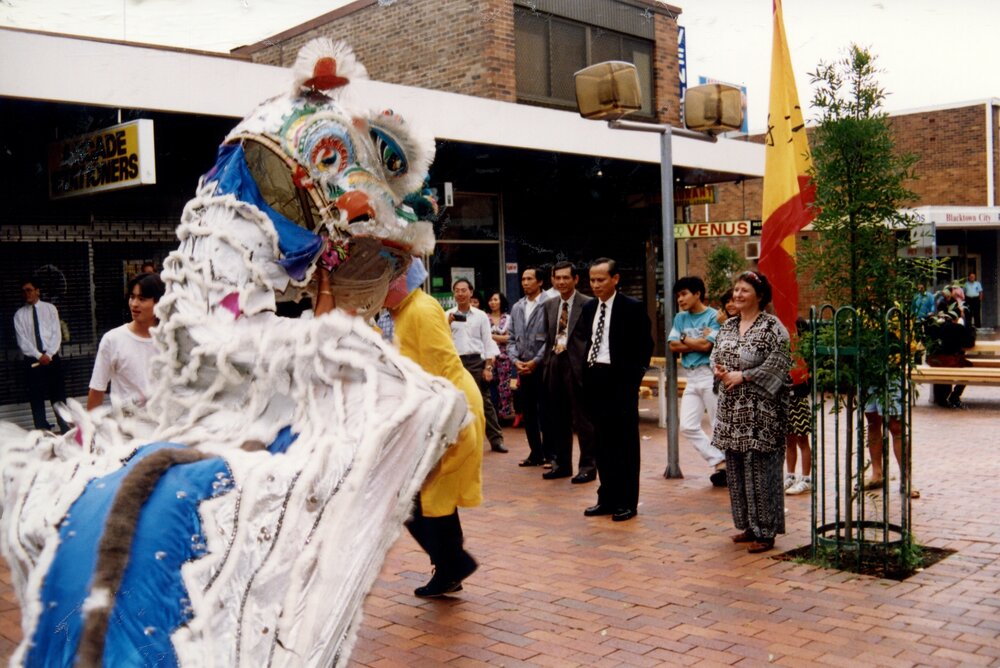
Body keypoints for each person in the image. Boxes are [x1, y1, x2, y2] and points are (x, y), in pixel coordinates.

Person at [386, 260, 483, 598]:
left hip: (449, 409)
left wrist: (446, 420)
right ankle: (451, 565)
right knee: (426, 497)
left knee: (422, 496)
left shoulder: (421, 310)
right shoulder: (403, 310)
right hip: (437, 409)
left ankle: (452, 564)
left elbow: (441, 366)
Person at [710, 271, 791, 553]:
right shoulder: (729, 325)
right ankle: (747, 525)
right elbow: (715, 355)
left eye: (744, 290)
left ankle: (766, 531)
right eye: (735, 290)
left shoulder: (772, 327)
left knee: (760, 469)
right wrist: (719, 371)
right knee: (735, 468)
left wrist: (743, 376)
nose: (738, 295)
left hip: (761, 409)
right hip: (732, 409)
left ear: (759, 295)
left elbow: (779, 365)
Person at [579, 258, 653, 522]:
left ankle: (626, 501)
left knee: (625, 444)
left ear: (615, 279)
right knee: (602, 442)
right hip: (595, 378)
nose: (596, 285)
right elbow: (587, 341)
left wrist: (633, 379)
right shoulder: (589, 308)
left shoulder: (631, 308)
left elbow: (645, 345)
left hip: (620, 381)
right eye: (592, 280)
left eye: (601, 280)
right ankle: (607, 497)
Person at [540, 261, 596, 483]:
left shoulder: (588, 304)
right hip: (555, 363)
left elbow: (592, 338)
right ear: (553, 280)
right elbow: (548, 337)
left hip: (578, 366)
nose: (561, 282)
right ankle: (562, 464)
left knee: (583, 420)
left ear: (576, 279)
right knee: (558, 418)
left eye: (566, 278)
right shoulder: (550, 305)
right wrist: (547, 363)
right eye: (558, 278)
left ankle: (588, 467)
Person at [668, 276, 725, 486]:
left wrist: (684, 339)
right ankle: (719, 460)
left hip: (710, 374)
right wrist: (691, 342)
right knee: (687, 425)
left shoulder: (713, 316)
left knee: (718, 423)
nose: (680, 300)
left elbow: (706, 347)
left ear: (697, 293)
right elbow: (673, 346)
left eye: (684, 294)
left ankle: (726, 468)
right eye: (678, 296)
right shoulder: (680, 318)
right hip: (690, 376)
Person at [87, 273, 166, 410]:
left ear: (159, 302)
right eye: (132, 297)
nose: (134, 304)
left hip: (165, 427)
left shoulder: (172, 340)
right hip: (128, 427)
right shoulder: (113, 340)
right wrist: (89, 428)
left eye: (142, 299)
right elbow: (97, 390)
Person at [448, 278, 507, 453]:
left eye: (464, 290)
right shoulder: (447, 315)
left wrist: (488, 367)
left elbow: (488, 342)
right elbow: (442, 339)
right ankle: (455, 441)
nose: (460, 293)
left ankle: (496, 440)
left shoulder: (481, 316)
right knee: (455, 402)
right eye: (457, 290)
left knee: (484, 401)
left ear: (471, 292)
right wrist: (448, 323)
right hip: (455, 362)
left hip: (476, 361)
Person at [14, 279, 70, 432]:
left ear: (37, 291)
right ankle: (42, 431)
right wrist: (39, 355)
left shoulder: (50, 309)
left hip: (52, 358)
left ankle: (65, 428)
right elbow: (22, 341)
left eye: (29, 290)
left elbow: (56, 334)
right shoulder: (19, 315)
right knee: (36, 397)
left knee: (58, 395)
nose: (26, 294)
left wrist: (49, 354)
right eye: (23, 291)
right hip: (33, 361)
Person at [508, 267, 550, 467]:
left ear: (540, 282)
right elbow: (510, 339)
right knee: (529, 411)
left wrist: (536, 361)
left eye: (529, 279)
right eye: (523, 279)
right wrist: (516, 361)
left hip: (542, 367)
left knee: (546, 411)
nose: (525, 282)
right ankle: (535, 452)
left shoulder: (549, 304)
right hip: (523, 367)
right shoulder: (517, 307)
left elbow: (551, 339)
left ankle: (550, 453)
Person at [785, 319, 813, 496]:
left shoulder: (802, 352)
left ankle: (806, 478)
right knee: (789, 439)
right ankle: (790, 475)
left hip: (799, 395)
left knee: (802, 438)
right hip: (784, 396)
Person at [486, 292, 516, 421]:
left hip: (505, 357)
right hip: (489, 356)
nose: (492, 302)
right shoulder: (484, 317)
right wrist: (499, 338)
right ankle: (493, 414)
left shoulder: (508, 318)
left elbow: (510, 338)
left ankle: (504, 414)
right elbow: (482, 338)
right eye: (490, 300)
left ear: (501, 301)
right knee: (491, 384)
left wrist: (491, 336)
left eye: (495, 299)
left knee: (504, 385)